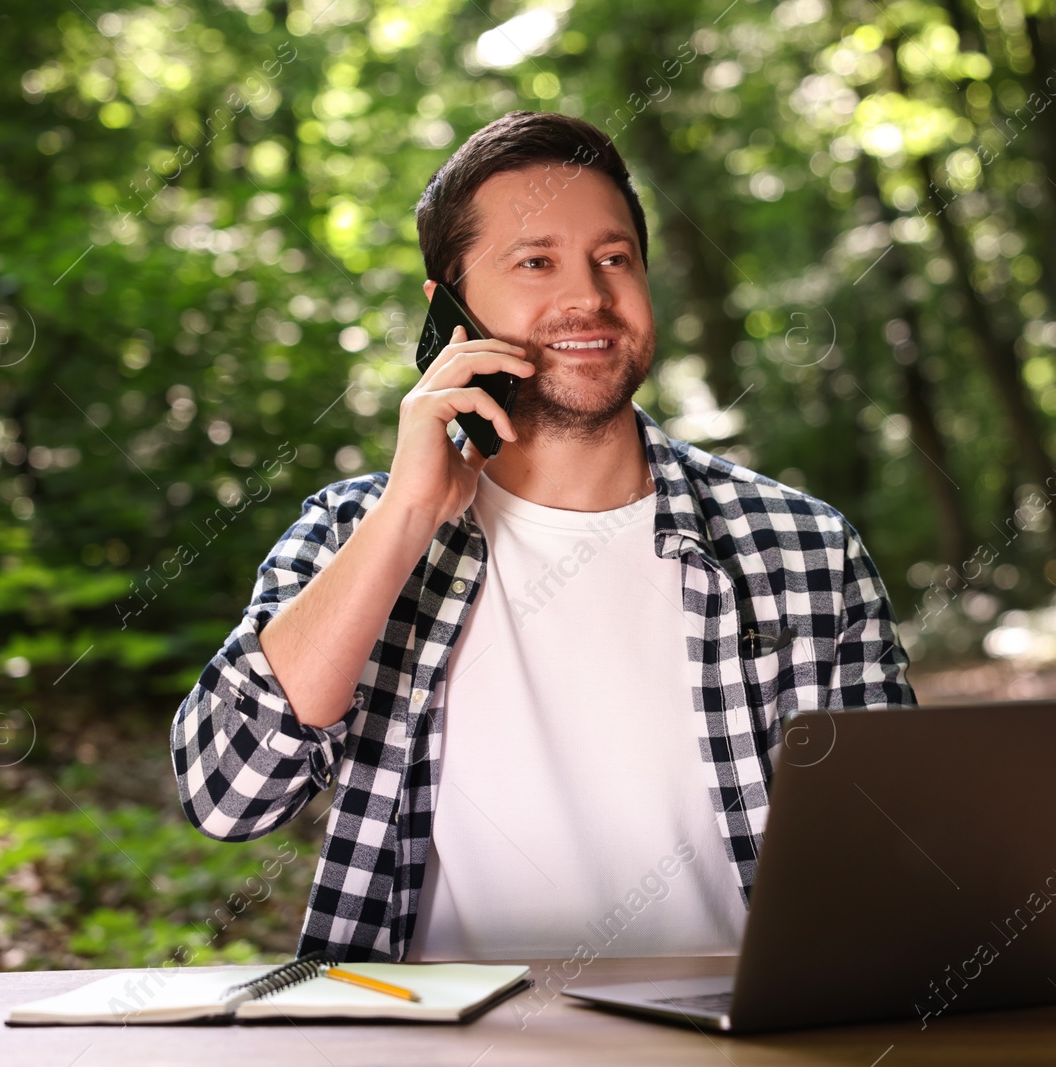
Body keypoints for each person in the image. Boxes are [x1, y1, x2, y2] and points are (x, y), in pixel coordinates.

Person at [171, 110, 917, 964]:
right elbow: (227, 795)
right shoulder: (353, 531)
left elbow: (887, 867)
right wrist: (407, 516)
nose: (589, 297)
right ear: (447, 308)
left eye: (614, 259)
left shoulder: (803, 548)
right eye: (535, 262)